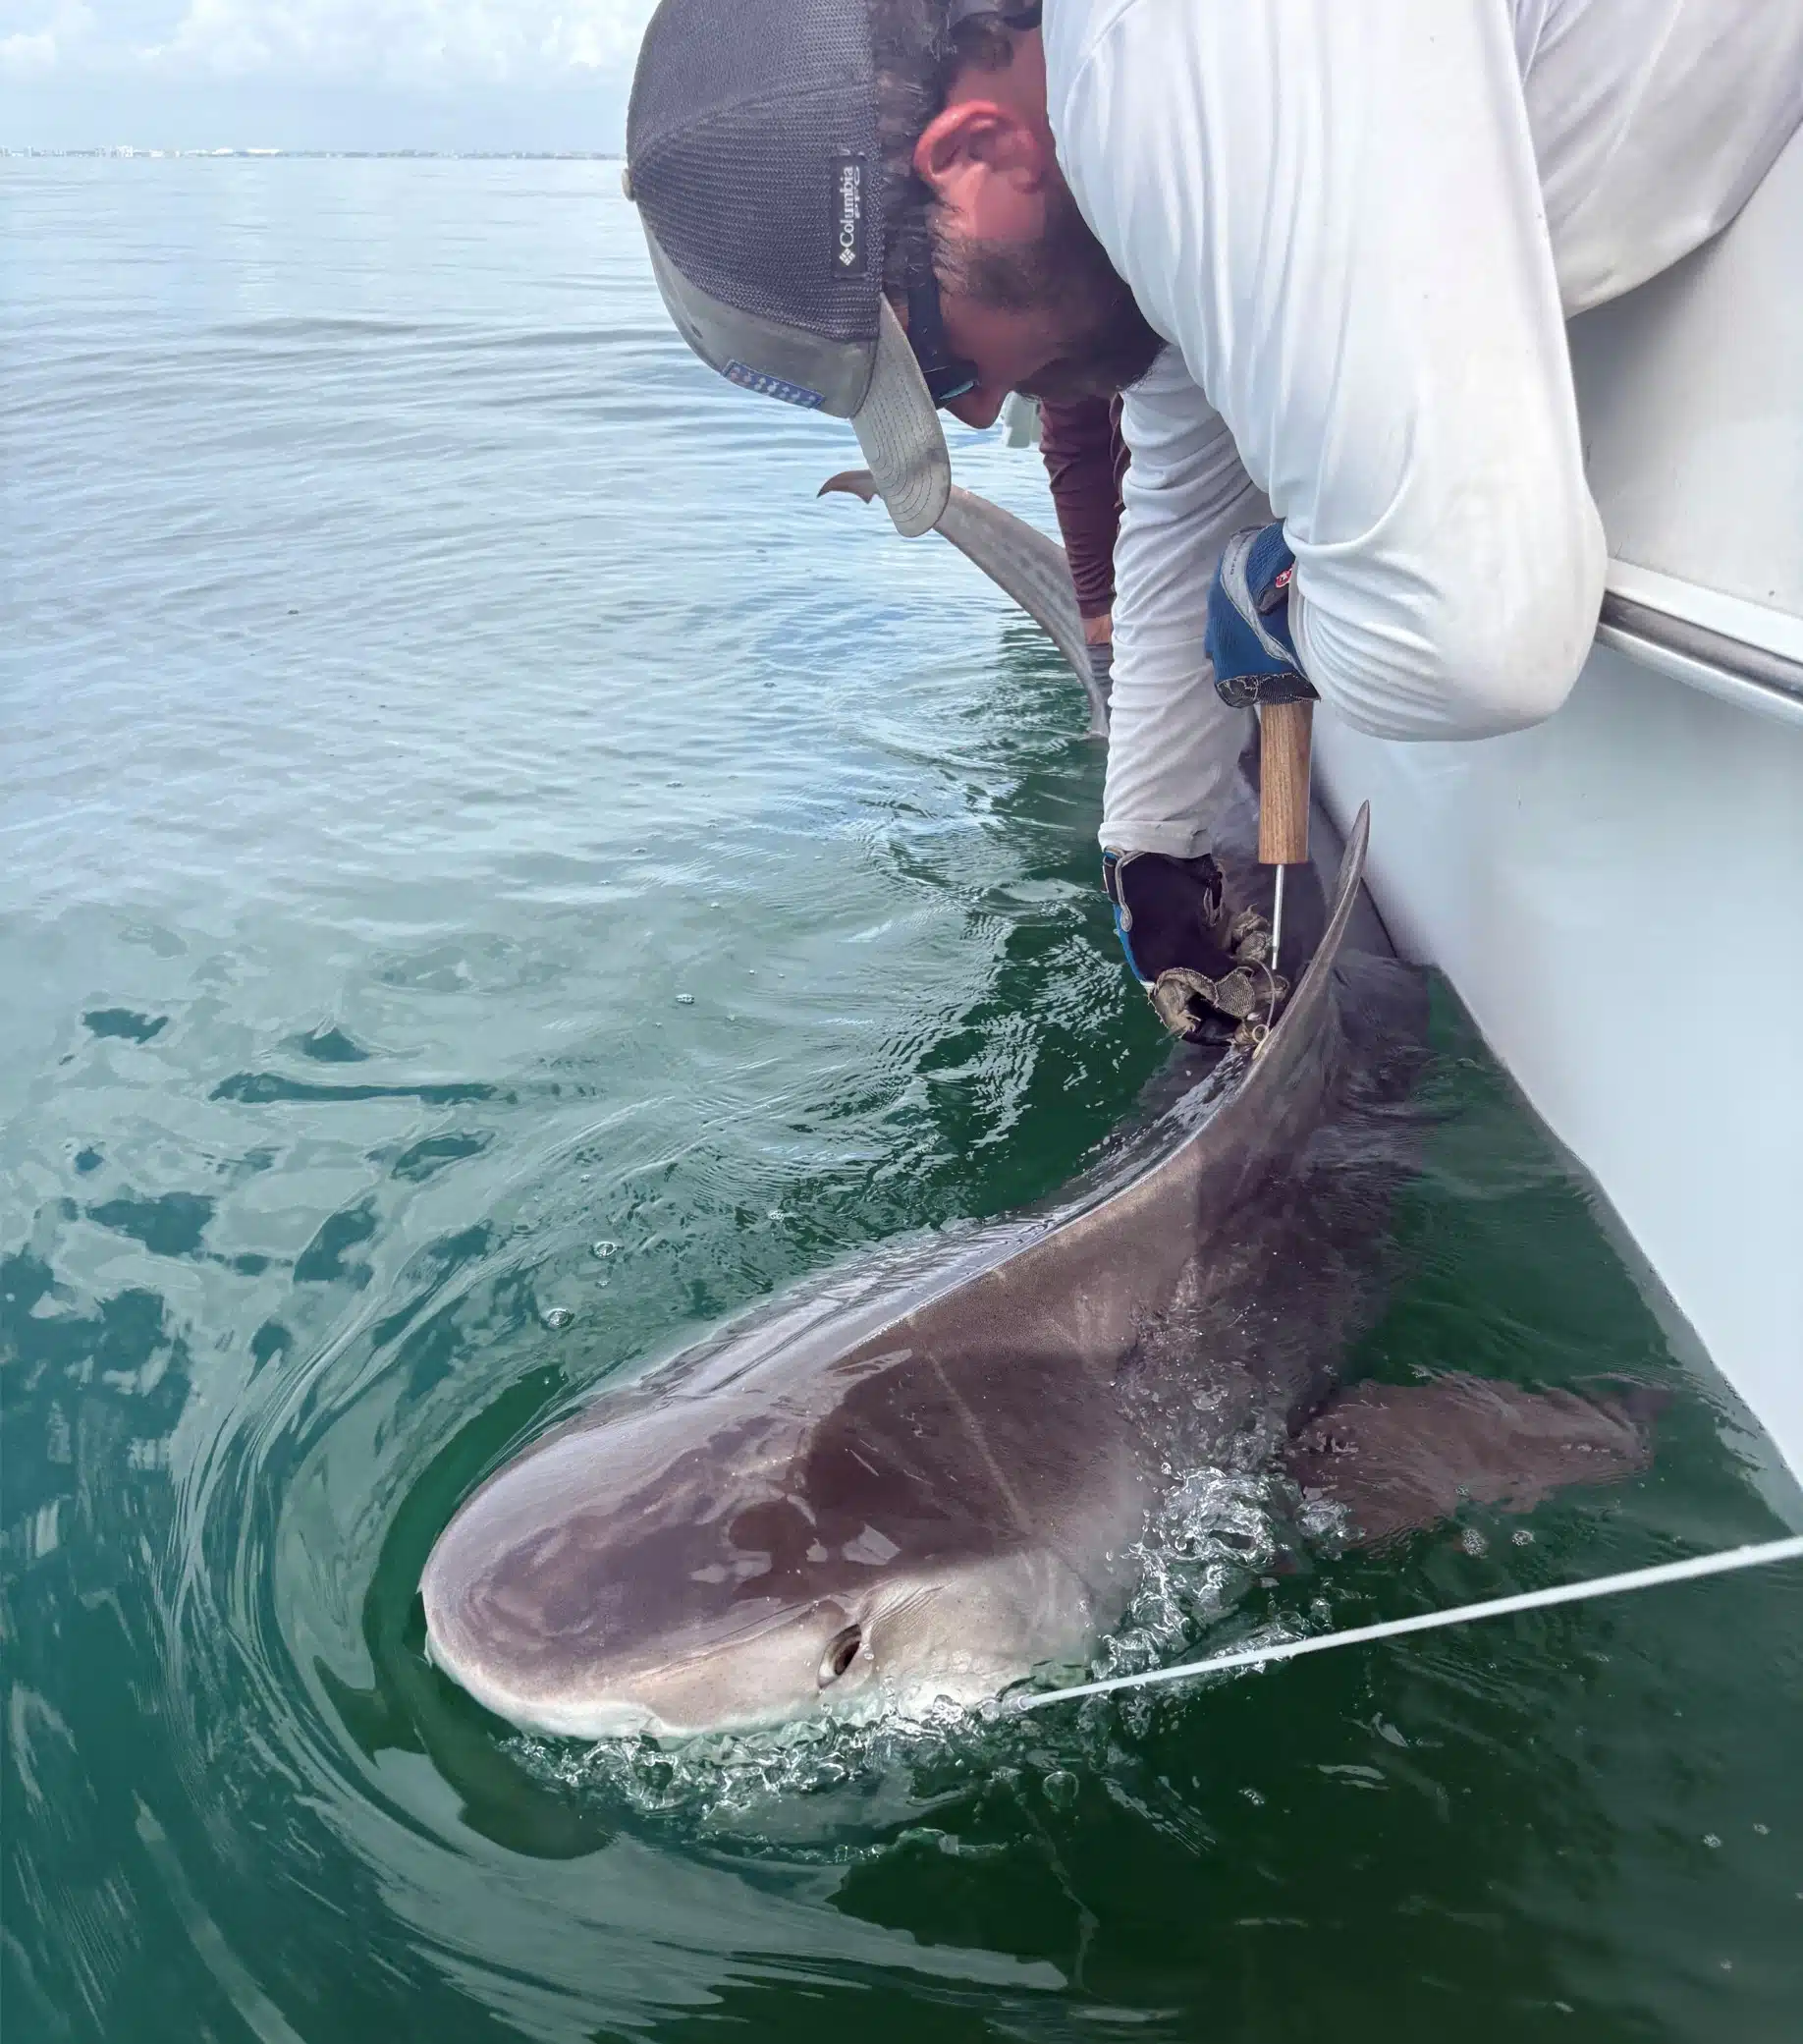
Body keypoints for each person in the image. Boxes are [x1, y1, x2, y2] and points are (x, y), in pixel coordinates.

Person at [623, 0, 1803, 1037]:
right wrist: (1150, 842)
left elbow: (1475, 640)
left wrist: (1288, 607)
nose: (977, 413)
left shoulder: (1171, 52)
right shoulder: (1162, 161)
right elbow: (1185, 480)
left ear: (979, 156)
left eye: (936, 366)